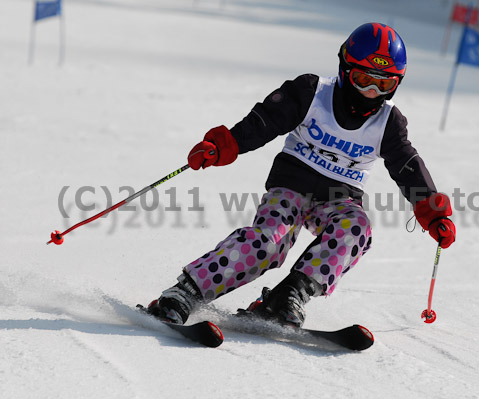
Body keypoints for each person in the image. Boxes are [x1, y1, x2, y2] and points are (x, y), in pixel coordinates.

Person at [145, 22, 456, 327]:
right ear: (345, 69)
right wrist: (224, 145)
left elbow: (407, 165)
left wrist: (431, 211)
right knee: (268, 244)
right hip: (291, 187)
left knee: (356, 228)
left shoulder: (388, 122)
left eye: (383, 85)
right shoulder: (310, 93)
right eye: (363, 79)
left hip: (339, 197)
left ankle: (287, 296)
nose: (371, 92)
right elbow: (264, 122)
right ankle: (184, 293)